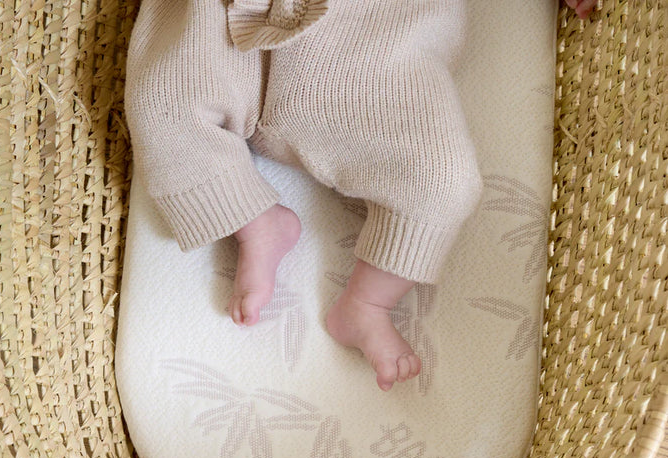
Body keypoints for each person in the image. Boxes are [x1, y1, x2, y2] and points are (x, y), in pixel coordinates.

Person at [124, 0, 597, 392]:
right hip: (232, 29)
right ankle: (257, 222)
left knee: (443, 181)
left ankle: (367, 303)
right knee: (161, 101)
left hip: (368, 60)